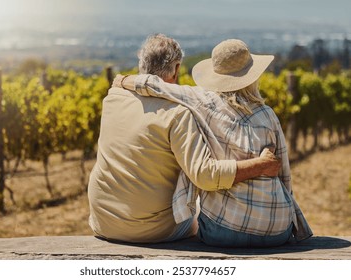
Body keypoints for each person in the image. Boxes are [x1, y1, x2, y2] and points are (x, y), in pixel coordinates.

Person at [114, 38, 312, 247]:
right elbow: (284, 175)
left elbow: (155, 85)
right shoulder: (268, 114)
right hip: (277, 230)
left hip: (223, 232)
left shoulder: (201, 101)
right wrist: (292, 220)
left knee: (198, 200)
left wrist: (122, 80)